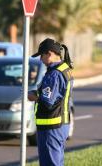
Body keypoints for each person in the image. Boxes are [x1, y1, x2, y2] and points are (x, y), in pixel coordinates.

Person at [28, 38, 74, 166]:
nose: (40, 60)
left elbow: (48, 101)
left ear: (49, 53)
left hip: (51, 127)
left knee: (50, 163)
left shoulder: (54, 74)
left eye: (41, 56)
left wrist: (33, 96)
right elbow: (57, 94)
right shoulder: (65, 69)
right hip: (60, 125)